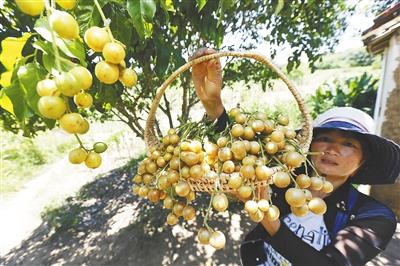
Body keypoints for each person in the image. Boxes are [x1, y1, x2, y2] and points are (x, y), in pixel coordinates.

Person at [190, 48, 400, 265]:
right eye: (325, 138)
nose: (332, 149)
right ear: (308, 146)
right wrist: (213, 104)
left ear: (362, 162)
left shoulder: (375, 216)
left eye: (348, 144)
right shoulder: (284, 177)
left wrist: (267, 218)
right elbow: (236, 149)